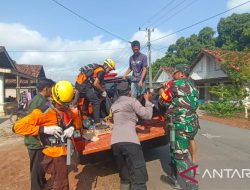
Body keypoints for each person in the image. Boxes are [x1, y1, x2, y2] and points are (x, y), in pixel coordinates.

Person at [13, 80, 82, 190]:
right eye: (61, 104)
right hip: (54, 154)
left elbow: (78, 121)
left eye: (66, 104)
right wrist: (43, 129)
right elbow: (17, 127)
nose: (63, 107)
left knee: (63, 175)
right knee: (61, 183)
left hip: (66, 149)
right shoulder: (42, 112)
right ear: (54, 98)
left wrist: (72, 127)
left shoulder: (67, 109)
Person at [159, 64, 200, 190]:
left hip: (180, 125)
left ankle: (192, 186)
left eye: (175, 72)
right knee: (175, 150)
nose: (173, 75)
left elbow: (163, 100)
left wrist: (162, 91)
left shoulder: (176, 85)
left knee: (180, 156)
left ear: (181, 73)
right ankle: (174, 177)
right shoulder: (193, 87)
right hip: (192, 124)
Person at [108, 81, 153, 190]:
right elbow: (147, 115)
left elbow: (111, 120)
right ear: (129, 92)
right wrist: (147, 101)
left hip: (115, 144)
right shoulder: (132, 101)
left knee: (125, 177)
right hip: (130, 143)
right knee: (139, 180)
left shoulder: (113, 105)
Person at [24, 78, 55, 190]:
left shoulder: (40, 99)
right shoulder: (39, 102)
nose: (52, 91)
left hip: (37, 140)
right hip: (35, 141)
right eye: (51, 89)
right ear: (46, 89)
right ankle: (37, 187)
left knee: (41, 166)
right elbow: (31, 122)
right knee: (36, 169)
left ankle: (42, 184)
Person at [75, 58, 116, 125]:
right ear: (107, 66)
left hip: (79, 84)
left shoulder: (97, 68)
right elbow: (95, 84)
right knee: (96, 101)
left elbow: (93, 83)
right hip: (83, 86)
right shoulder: (101, 71)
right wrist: (103, 91)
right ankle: (98, 124)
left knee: (88, 96)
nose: (109, 71)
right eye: (110, 69)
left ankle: (85, 115)